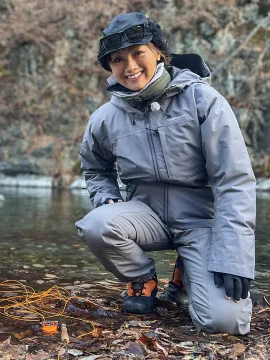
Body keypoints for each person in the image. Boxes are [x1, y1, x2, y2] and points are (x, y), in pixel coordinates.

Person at [75, 12, 255, 335]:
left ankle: (185, 273)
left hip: (200, 220)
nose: (129, 67)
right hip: (146, 216)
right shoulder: (105, 118)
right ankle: (142, 277)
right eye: (118, 59)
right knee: (96, 224)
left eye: (137, 53)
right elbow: (94, 166)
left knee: (225, 323)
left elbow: (234, 181)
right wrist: (106, 196)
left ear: (158, 51)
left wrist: (234, 256)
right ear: (110, 67)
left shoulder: (204, 101)